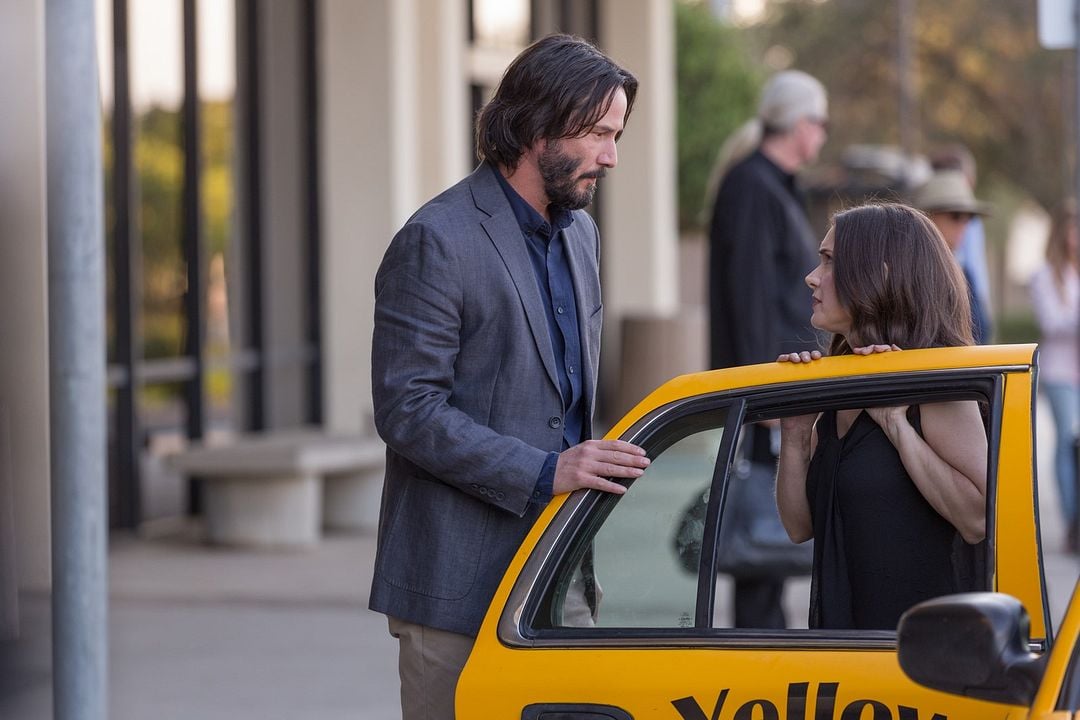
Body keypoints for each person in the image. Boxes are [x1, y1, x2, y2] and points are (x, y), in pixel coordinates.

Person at [369, 34, 648, 719]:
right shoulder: (436, 238)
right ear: (537, 126)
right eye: (600, 135)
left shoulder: (582, 233)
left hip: (561, 578)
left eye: (617, 135)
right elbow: (408, 409)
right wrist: (541, 471)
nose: (611, 155)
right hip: (456, 586)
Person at [774, 203, 988, 631]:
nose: (812, 276)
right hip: (845, 647)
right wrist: (796, 433)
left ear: (882, 274)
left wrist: (895, 424)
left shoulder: (936, 384)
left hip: (922, 657)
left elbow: (977, 519)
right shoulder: (841, 384)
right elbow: (799, 528)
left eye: (830, 261)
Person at [706, 69, 829, 628]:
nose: (824, 136)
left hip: (781, 389)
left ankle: (766, 643)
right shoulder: (753, 186)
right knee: (760, 536)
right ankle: (756, 656)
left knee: (772, 543)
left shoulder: (770, 185)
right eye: (820, 123)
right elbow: (749, 297)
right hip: (769, 394)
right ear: (799, 124)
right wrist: (761, 398)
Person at [1029, 201, 1080, 554]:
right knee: (1065, 441)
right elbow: (1051, 322)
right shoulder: (1045, 276)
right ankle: (1072, 521)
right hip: (1061, 370)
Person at [913, 169, 993, 343]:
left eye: (969, 217)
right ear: (928, 216)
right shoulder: (908, 273)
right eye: (955, 215)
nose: (963, 225)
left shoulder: (964, 272)